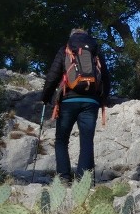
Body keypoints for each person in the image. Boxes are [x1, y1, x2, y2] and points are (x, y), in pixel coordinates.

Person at [41, 28, 111, 183]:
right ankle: (83, 181)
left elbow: (53, 76)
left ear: (71, 37)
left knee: (61, 140)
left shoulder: (65, 50)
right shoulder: (95, 51)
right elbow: (106, 78)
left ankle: (64, 178)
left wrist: (45, 97)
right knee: (86, 140)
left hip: (68, 101)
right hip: (91, 102)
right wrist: (102, 99)